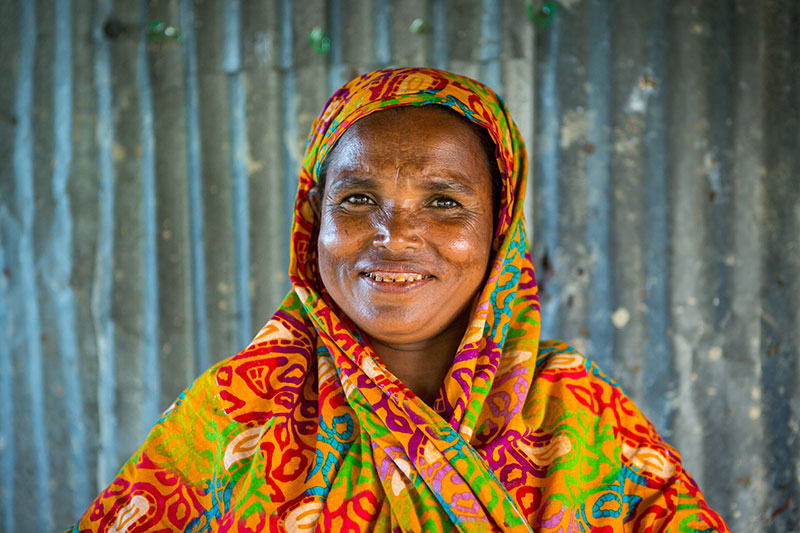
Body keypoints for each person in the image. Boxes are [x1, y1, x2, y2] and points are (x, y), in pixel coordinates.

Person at [69, 67, 728, 532]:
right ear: (312, 224)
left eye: (444, 201)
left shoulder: (580, 414)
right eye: (357, 199)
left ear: (499, 232)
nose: (394, 235)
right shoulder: (237, 411)